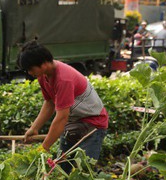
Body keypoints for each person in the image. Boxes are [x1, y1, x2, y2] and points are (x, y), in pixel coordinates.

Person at [20, 40, 108, 172]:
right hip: (74, 123)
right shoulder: (43, 76)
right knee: (62, 170)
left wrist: (44, 147)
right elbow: (49, 103)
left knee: (85, 172)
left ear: (43, 63)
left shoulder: (63, 79)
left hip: (93, 125)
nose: (30, 73)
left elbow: (61, 117)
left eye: (31, 69)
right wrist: (34, 128)